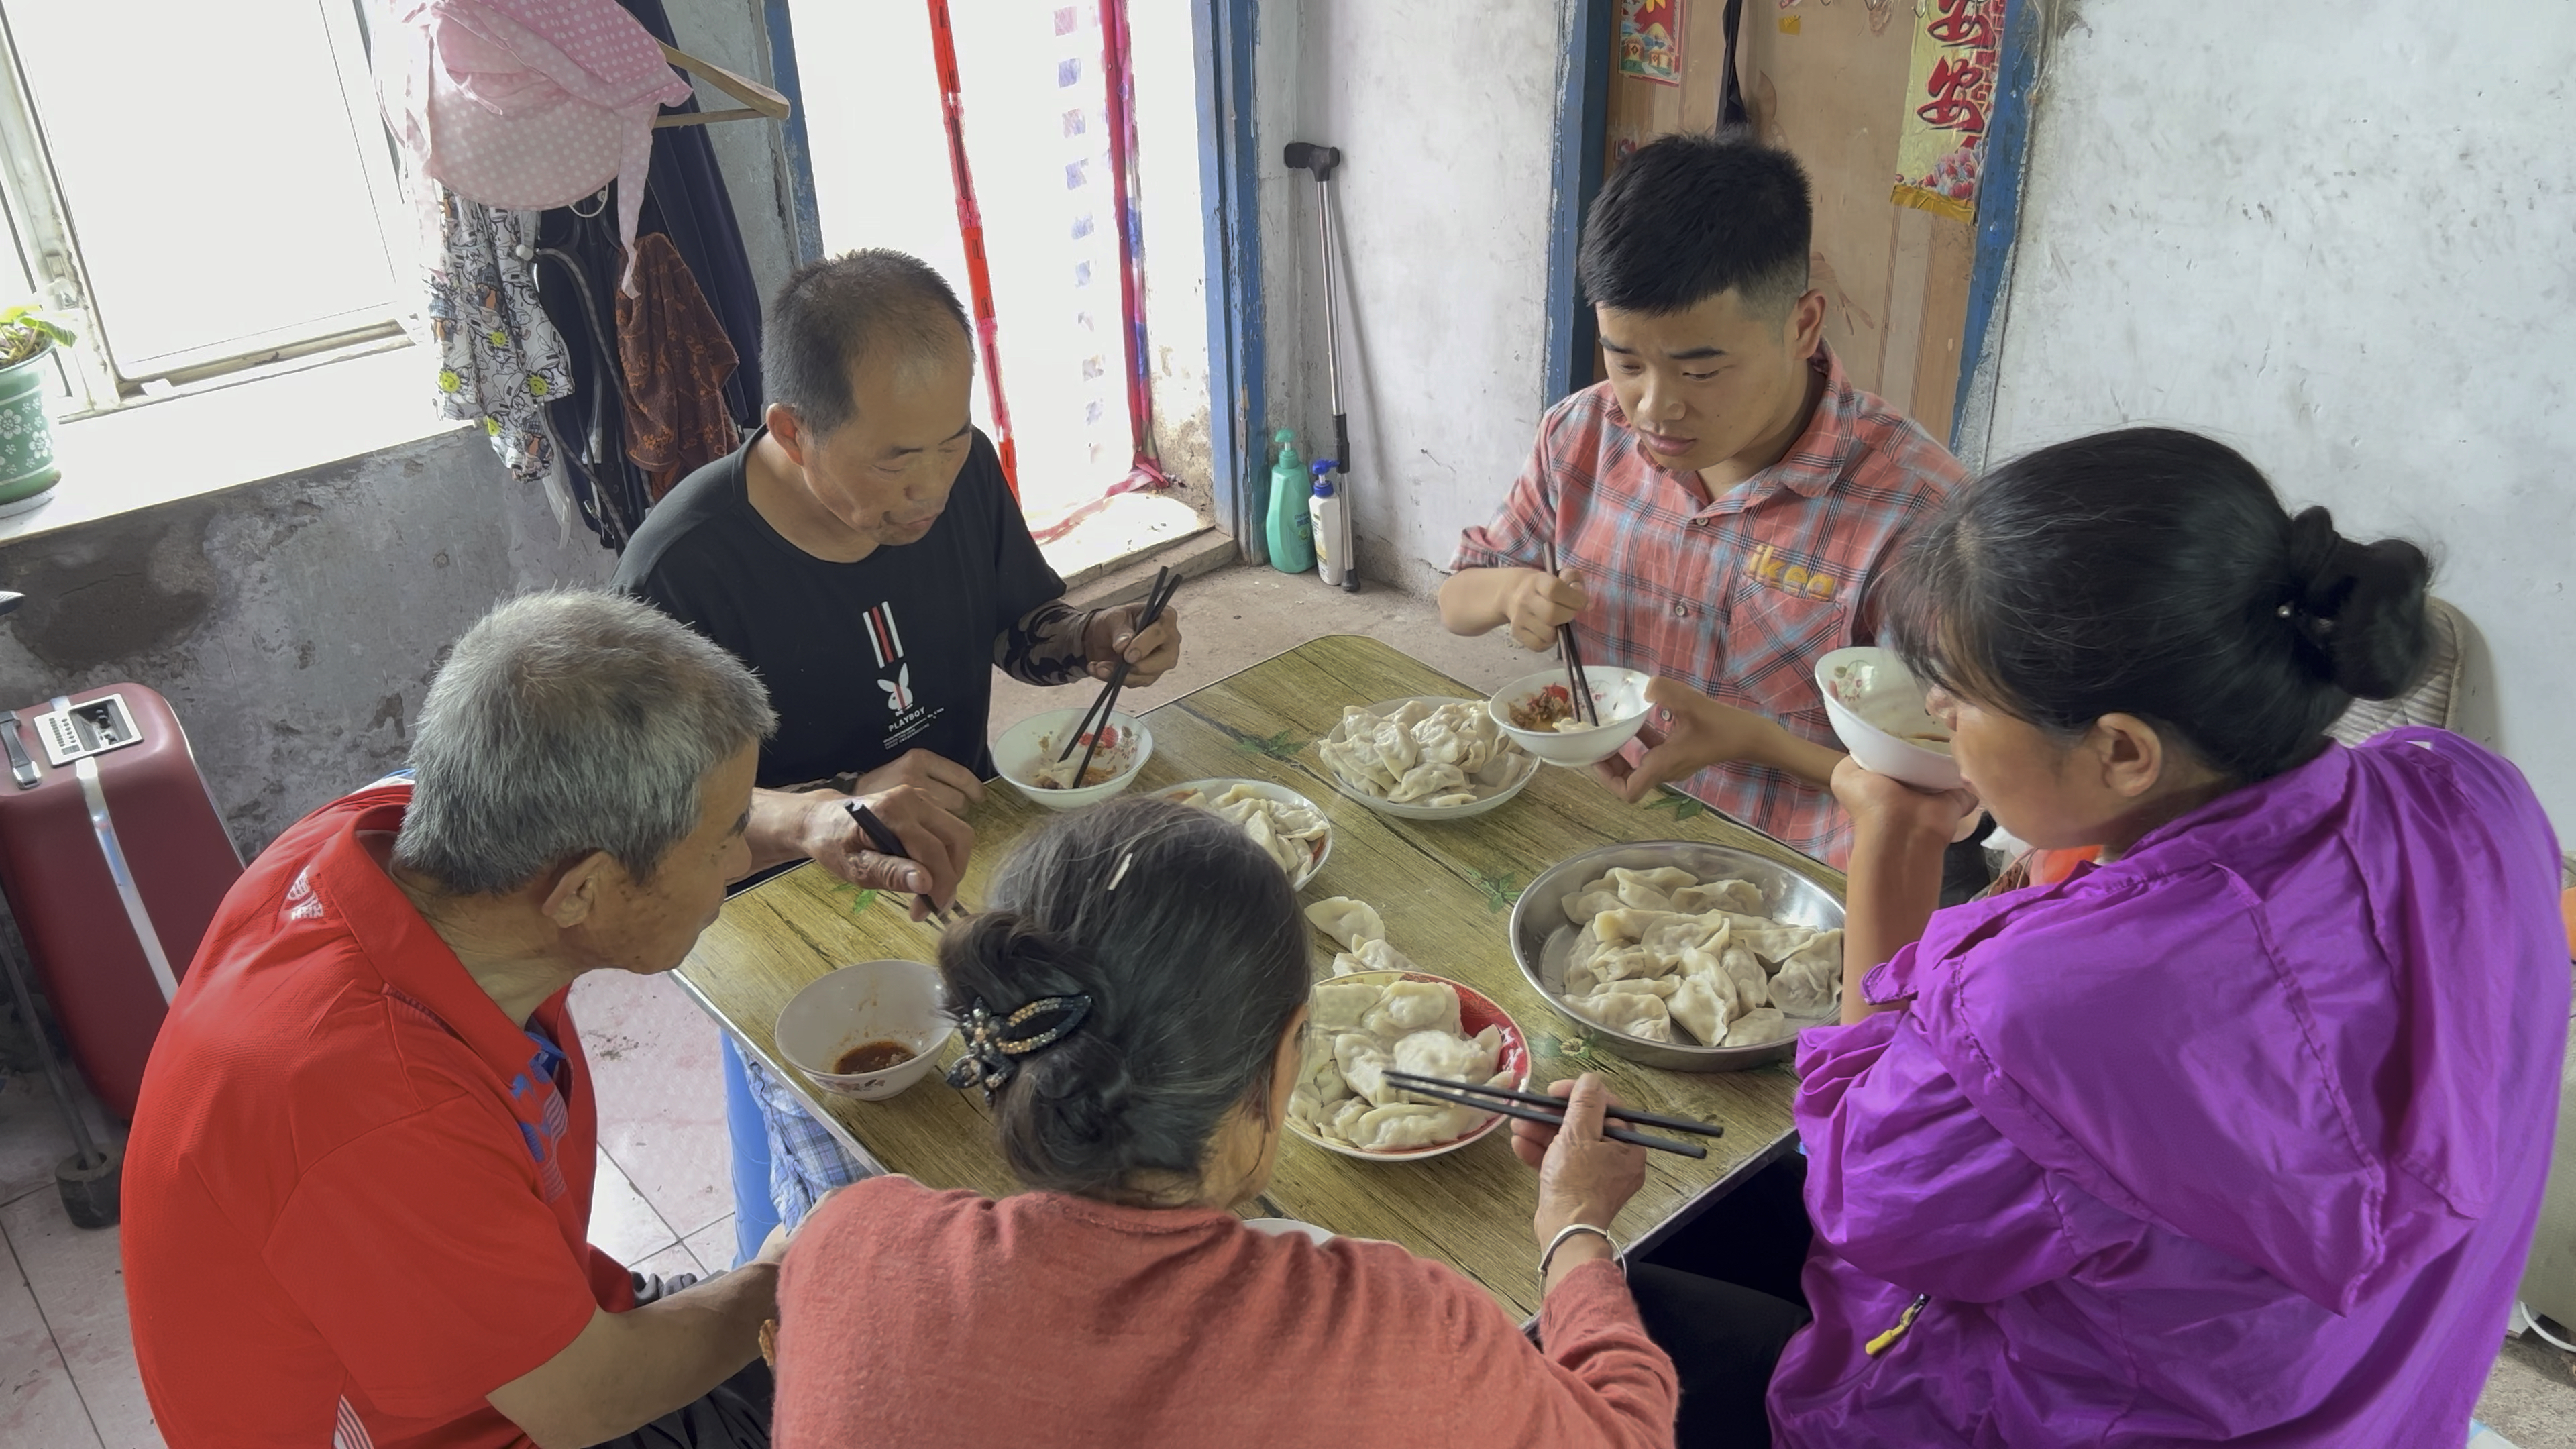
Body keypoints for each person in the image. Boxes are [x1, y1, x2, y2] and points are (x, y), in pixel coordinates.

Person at [1533, 428, 2568, 1446]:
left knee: (1599, 1326)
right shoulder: (2467, 794)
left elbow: (1853, 1199)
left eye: (1961, 696)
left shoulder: (2050, 1009)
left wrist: (1890, 844)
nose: (1933, 711)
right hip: (2378, 1400)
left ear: (2122, 750)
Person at [121, 591, 853, 1449]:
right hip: (481, 1422)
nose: (742, 858)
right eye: (726, 838)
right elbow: (587, 1401)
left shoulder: (395, 833)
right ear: (582, 891)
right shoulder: (378, 1111)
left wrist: (806, 820)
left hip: (502, 1331)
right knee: (877, 1379)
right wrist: (787, 1274)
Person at [770, 796, 1680, 1448]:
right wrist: (1576, 1228)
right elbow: (1625, 1433)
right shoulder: (1396, 1329)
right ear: (1287, 1049)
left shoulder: (849, 1247)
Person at [611, 248, 1184, 1254]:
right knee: (860, 1223)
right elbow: (648, 839)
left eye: (952, 445)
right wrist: (822, 810)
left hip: (956, 863)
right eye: (893, 462)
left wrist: (1093, 639)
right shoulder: (682, 573)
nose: (929, 491)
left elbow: (1022, 626)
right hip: (780, 913)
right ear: (793, 429)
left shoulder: (960, 480)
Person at [1440, 133, 1964, 867]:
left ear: (1803, 325)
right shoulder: (1582, 433)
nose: (1654, 408)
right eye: (1625, 361)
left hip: (1798, 875)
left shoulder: (1919, 512)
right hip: (1593, 832)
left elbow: (1955, 792)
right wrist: (1512, 592)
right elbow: (1457, 599)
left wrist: (1760, 743)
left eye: (1703, 370)